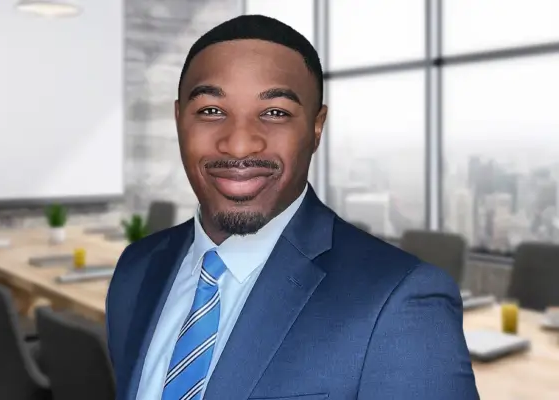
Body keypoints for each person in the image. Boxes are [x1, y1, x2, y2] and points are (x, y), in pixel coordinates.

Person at [106, 14, 479, 400]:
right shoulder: (137, 269)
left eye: (275, 113)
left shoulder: (400, 304)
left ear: (316, 129)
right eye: (211, 111)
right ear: (179, 119)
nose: (238, 145)